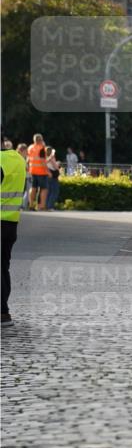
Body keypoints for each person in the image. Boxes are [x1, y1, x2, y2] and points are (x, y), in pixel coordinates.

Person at [1, 135, 27, 327]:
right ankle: (3, 312)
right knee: (3, 267)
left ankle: (2, 311)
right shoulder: (17, 159)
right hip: (11, 223)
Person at [27, 134, 49, 211]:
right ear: (41, 140)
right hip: (42, 172)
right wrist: (48, 172)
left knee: (33, 188)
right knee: (44, 189)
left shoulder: (30, 148)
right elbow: (42, 161)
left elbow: (28, 159)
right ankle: (42, 206)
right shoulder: (42, 148)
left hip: (32, 171)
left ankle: (31, 205)